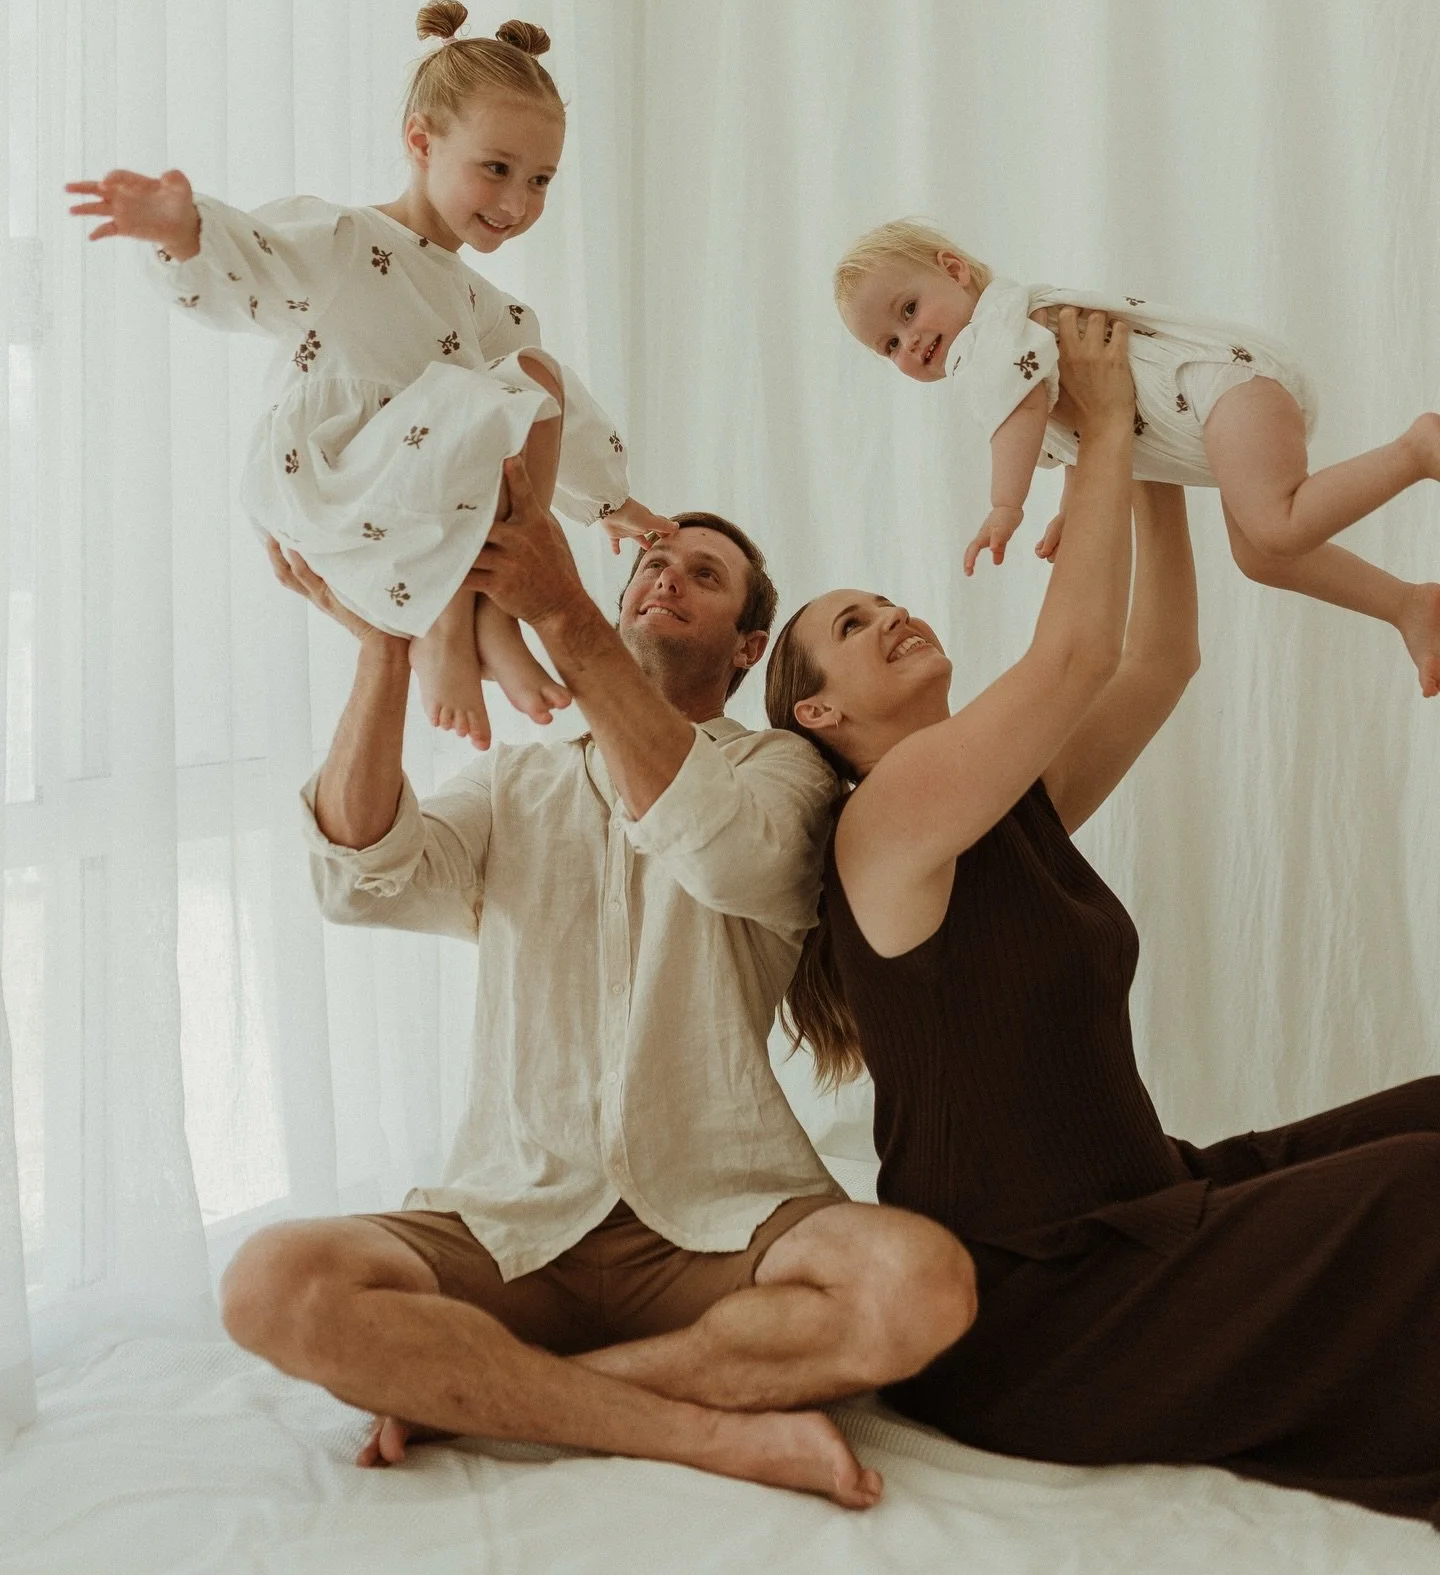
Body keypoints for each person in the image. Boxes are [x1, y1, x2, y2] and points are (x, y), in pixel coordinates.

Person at [767, 305, 1440, 1527]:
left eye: (879, 598)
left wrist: (1157, 460)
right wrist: (1109, 420)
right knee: (1421, 1194)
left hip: (1149, 1205)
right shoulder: (888, 820)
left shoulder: (999, 803)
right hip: (1049, 1308)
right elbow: (1074, 655)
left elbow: (1155, 659)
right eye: (851, 629)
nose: (890, 616)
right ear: (821, 718)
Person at [217, 475, 977, 1508]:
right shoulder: (514, 785)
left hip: (718, 1217)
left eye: (703, 575)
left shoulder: (789, 776)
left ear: (747, 647)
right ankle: (699, 1429)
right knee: (272, 1281)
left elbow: (713, 847)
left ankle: (488, 1394)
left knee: (920, 1285)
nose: (665, 574)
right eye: (651, 562)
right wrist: (385, 647)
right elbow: (361, 875)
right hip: (512, 1219)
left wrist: (565, 615)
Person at [65, 0, 673, 749]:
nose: (518, 202)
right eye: (497, 169)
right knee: (493, 388)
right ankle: (459, 627)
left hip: (413, 506)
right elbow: (257, 262)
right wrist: (182, 230)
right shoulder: (347, 243)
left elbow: (554, 410)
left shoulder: (487, 307)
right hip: (335, 490)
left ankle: (486, 613)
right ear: (422, 142)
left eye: (542, 180)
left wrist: (610, 500)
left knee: (534, 370)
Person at [834, 217, 1440, 696]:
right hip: (1216, 413)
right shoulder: (1006, 349)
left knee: (1276, 525)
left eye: (909, 311)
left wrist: (1004, 505)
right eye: (889, 346)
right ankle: (1408, 604)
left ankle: (1417, 449)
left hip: (1215, 384)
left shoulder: (991, 334)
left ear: (955, 269)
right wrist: (1074, 508)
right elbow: (1075, 433)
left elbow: (1020, 414)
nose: (909, 342)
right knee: (1262, 556)